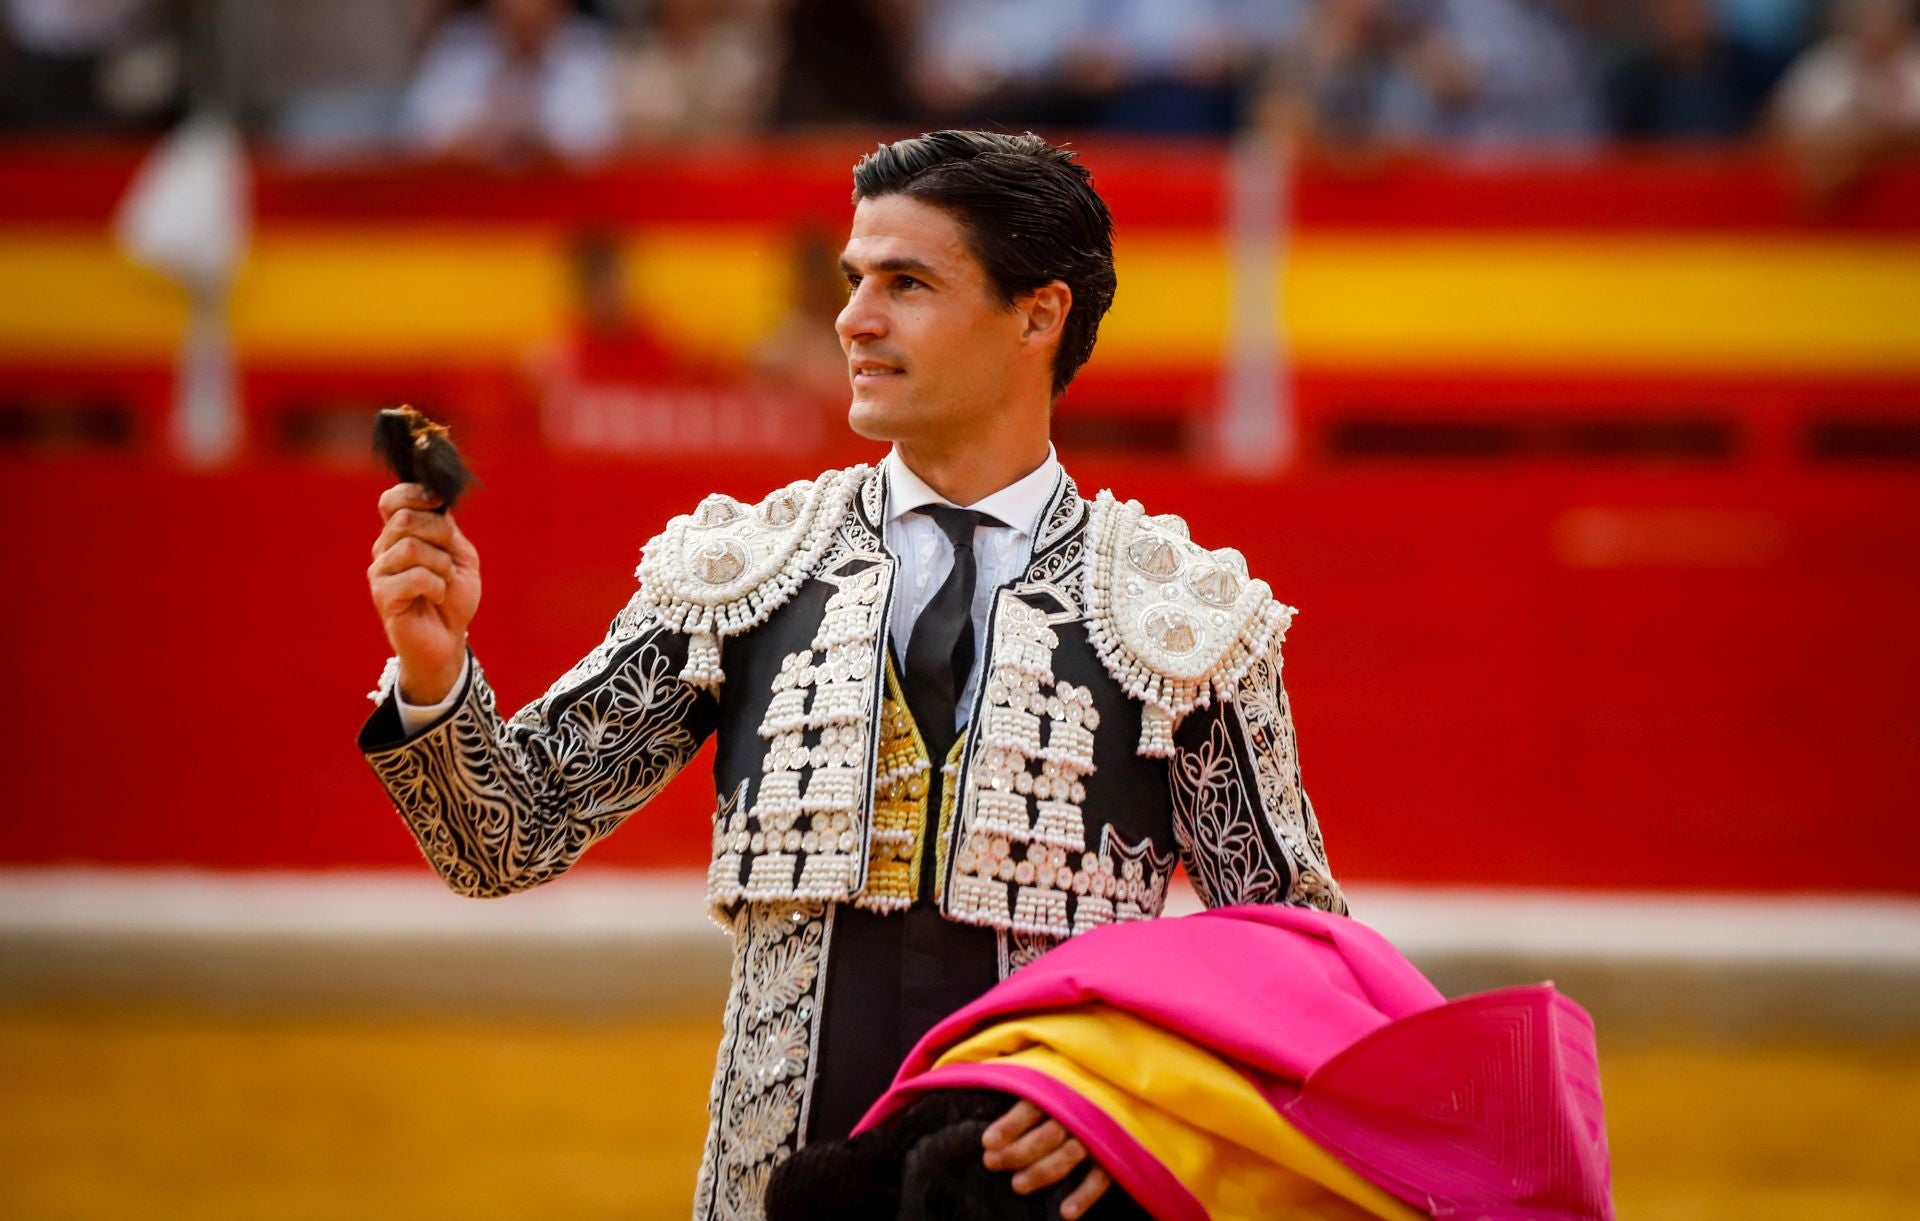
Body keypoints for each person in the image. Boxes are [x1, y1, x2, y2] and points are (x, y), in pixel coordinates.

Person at [360, 130, 1344, 1221]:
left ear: (1038, 314)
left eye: (907, 283)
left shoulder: (1182, 618)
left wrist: (1131, 1109)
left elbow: (1291, 961)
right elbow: (508, 839)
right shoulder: (745, 573)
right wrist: (434, 672)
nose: (853, 320)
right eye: (854, 280)